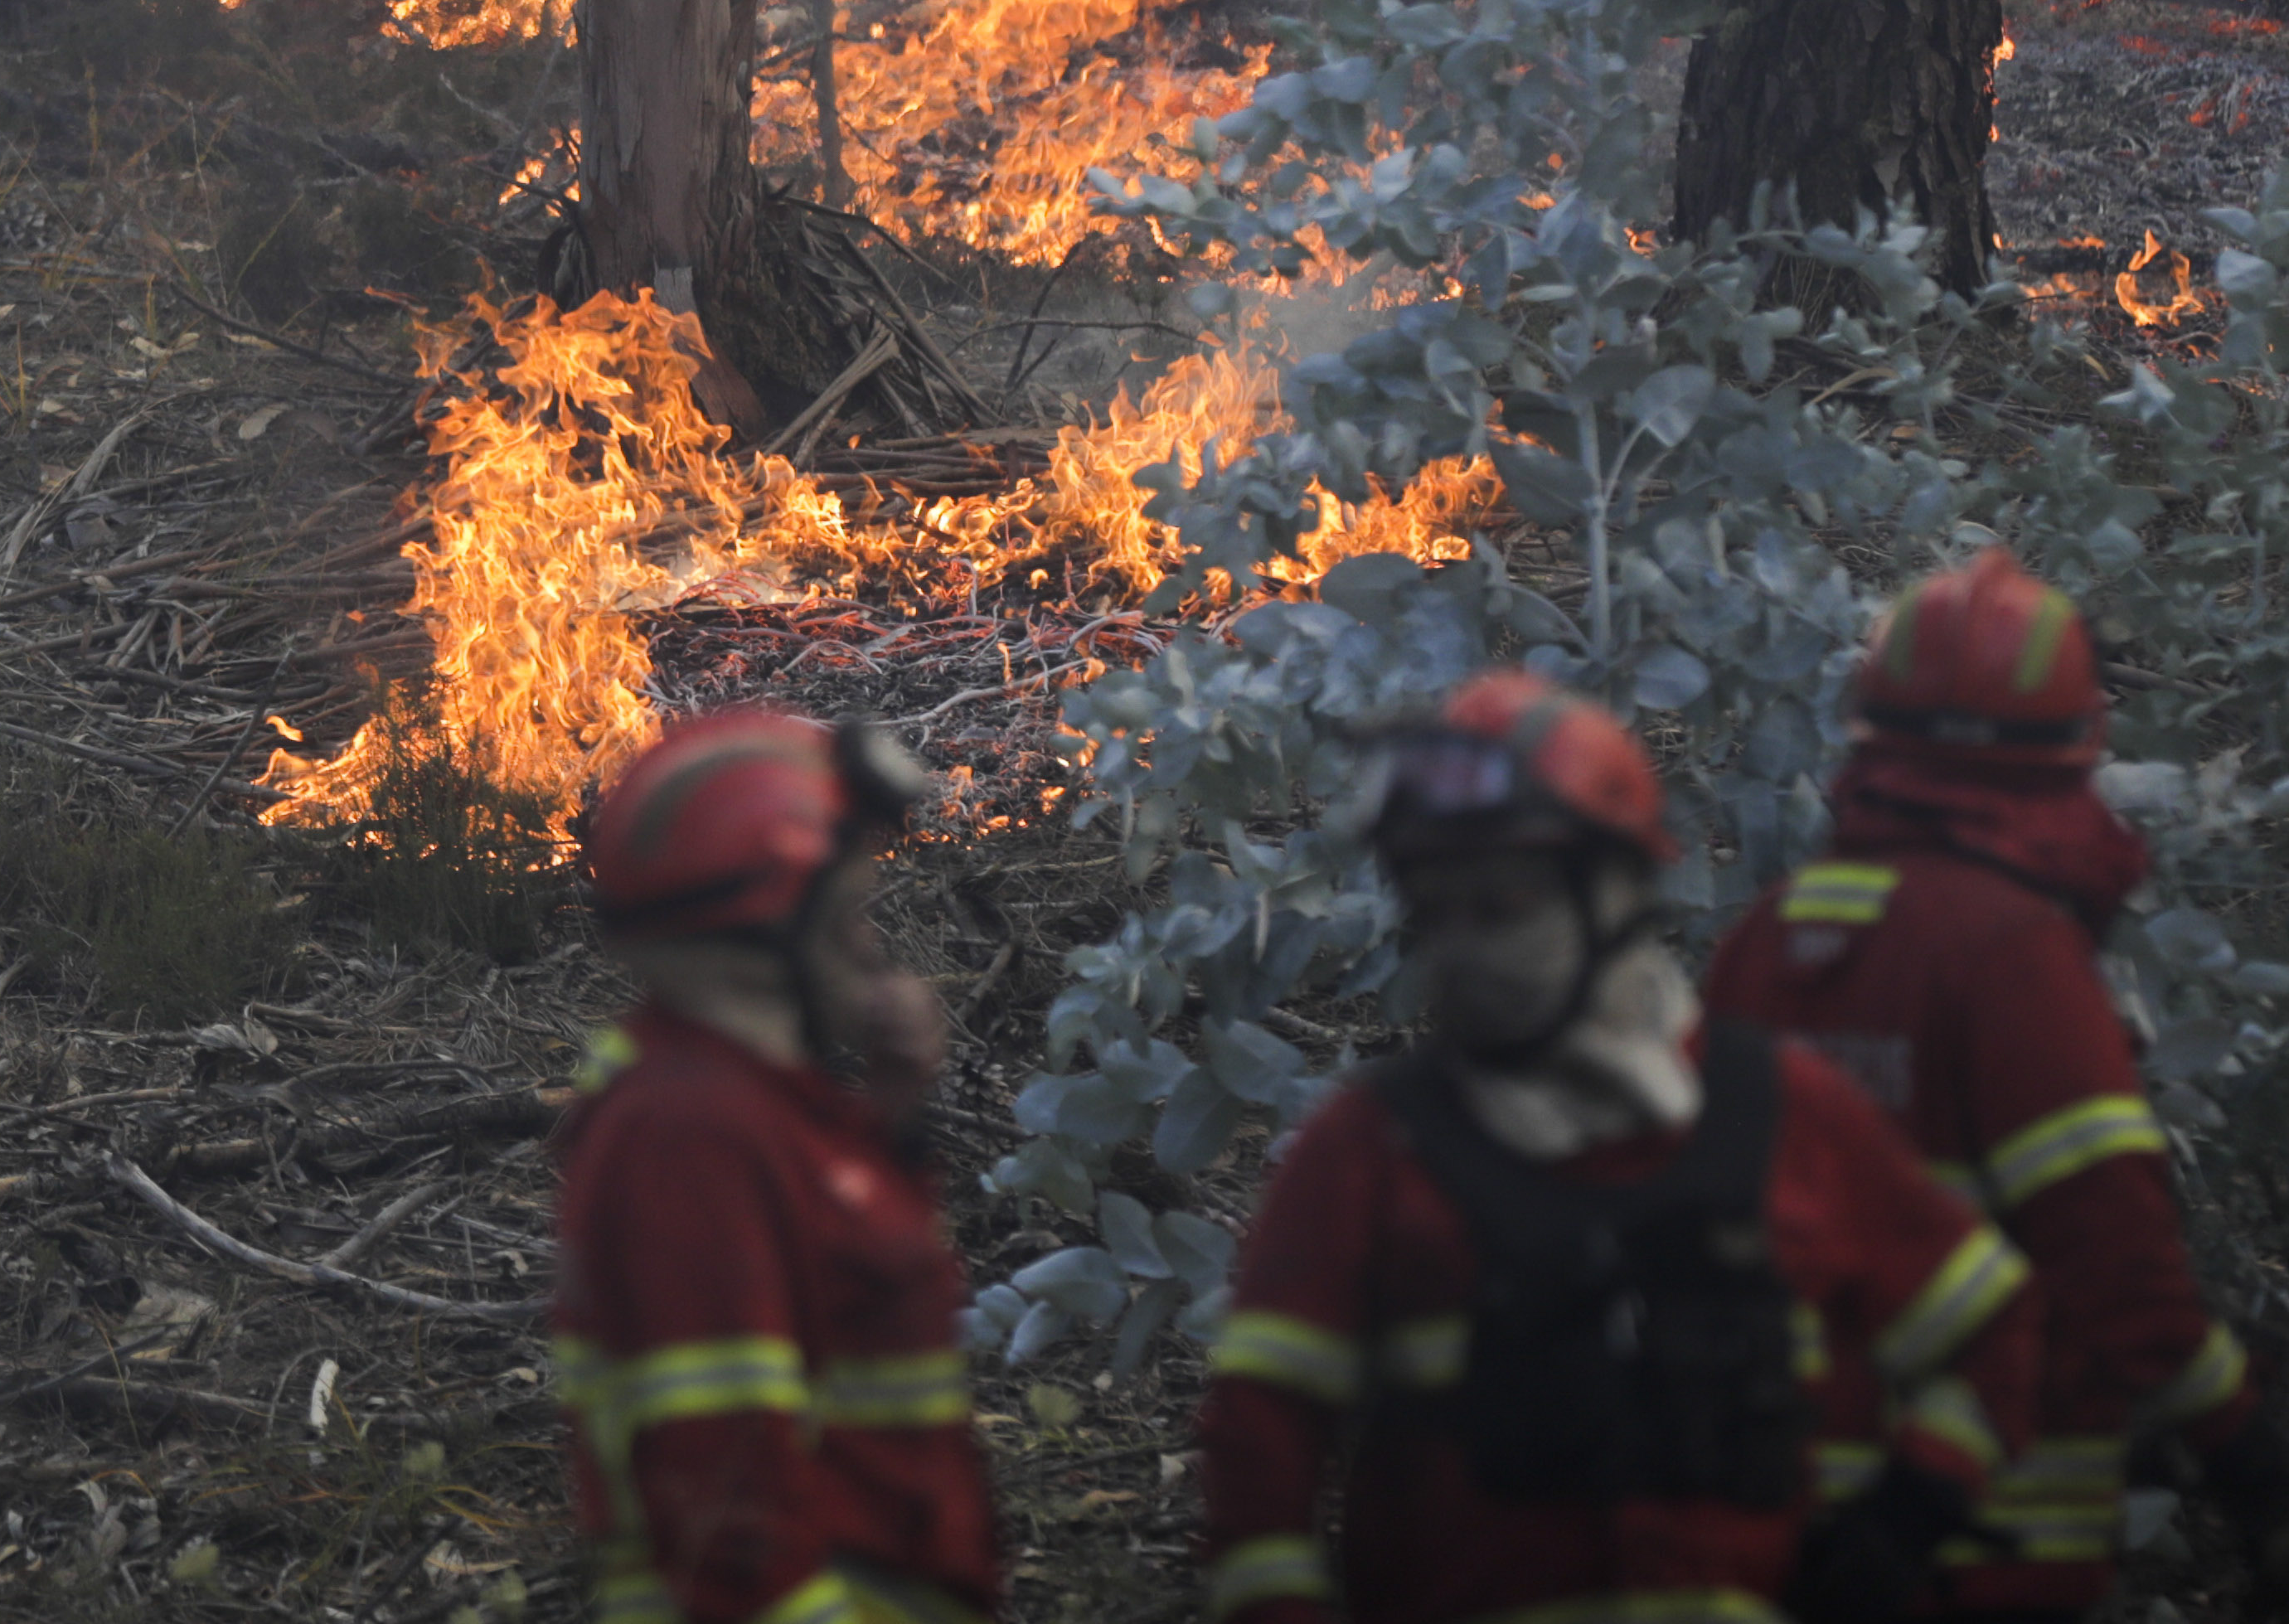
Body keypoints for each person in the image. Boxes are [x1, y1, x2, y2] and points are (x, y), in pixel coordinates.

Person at [1200, 671, 2039, 1624]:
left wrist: (1908, 1514)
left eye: (1506, 904)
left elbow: (1992, 1337)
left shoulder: (1789, 1119)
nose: (1470, 949)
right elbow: (1259, 1443)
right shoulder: (1370, 1153)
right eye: (1442, 911)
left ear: (1619, 887)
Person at [1709, 550, 2289, 1612]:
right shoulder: (2010, 952)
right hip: (1984, 1533)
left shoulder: (1770, 940)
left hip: (1777, 1528)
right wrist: (2241, 1441)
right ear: (2074, 747)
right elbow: (2114, 1258)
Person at [550, 708, 1001, 1624]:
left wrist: (890, 1119)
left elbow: (836, 1292)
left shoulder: (748, 1108)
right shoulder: (694, 1136)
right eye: (851, 918)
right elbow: (728, 1498)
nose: (873, 952)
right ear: (769, 928)